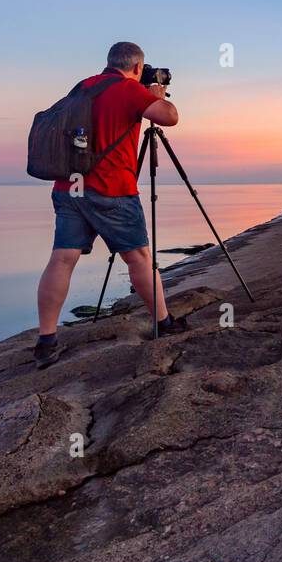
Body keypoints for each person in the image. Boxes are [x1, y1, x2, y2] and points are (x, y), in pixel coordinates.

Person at [33, 42, 182, 368]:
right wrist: (156, 96)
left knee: (62, 259)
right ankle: (164, 322)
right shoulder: (128, 90)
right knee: (139, 257)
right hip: (112, 189)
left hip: (69, 186)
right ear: (137, 68)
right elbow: (170, 117)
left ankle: (46, 341)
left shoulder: (83, 87)